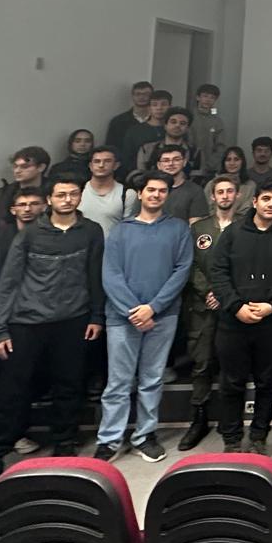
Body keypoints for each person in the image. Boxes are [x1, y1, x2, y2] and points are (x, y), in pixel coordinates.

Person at [0, 178, 105, 494]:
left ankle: (64, 445)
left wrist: (97, 315)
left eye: (73, 194)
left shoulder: (91, 231)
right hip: (27, 321)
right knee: (10, 390)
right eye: (61, 194)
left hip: (73, 319)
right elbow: (9, 281)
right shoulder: (30, 233)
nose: (67, 199)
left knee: (69, 385)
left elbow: (95, 275)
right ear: (50, 200)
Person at [96, 172, 193, 464]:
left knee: (152, 379)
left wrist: (153, 308)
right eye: (151, 190)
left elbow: (182, 270)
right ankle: (109, 439)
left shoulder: (178, 229)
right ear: (140, 193)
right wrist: (134, 310)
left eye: (162, 190)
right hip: (122, 317)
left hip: (163, 316)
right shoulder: (120, 231)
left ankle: (144, 436)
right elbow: (110, 274)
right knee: (118, 382)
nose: (156, 195)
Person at [208, 182, 272, 454]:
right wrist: (236, 306)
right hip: (233, 321)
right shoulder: (233, 232)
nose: (271, 204)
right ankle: (232, 439)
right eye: (266, 198)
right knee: (232, 383)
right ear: (255, 201)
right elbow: (218, 271)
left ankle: (259, 437)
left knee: (266, 382)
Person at [176, 174, 242, 450]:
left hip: (233, 306)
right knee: (201, 363)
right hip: (203, 306)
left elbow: (247, 265)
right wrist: (208, 291)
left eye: (230, 191)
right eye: (220, 192)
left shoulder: (246, 226)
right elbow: (190, 264)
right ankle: (199, 418)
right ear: (212, 197)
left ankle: (230, 420)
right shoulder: (199, 228)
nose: (225, 196)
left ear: (238, 195)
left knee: (232, 364)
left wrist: (225, 294)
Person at [0, 146, 51, 225]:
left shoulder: (54, 191)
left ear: (41, 167)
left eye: (25, 167)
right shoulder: (3, 194)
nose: (17, 171)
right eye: (15, 166)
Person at [119, 91, 172, 176]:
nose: (159, 108)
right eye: (154, 105)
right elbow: (127, 158)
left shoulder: (176, 130)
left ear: (170, 107)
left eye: (164, 104)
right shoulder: (135, 131)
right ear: (149, 108)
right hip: (141, 175)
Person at [78, 146, 127, 235]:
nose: (101, 165)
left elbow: (130, 229)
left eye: (107, 161)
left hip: (112, 243)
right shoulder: (77, 191)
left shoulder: (127, 194)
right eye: (97, 161)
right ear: (90, 166)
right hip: (80, 243)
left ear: (116, 165)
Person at [106, 80, 155, 151]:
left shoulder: (159, 120)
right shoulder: (118, 121)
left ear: (152, 96)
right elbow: (110, 148)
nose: (141, 97)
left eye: (146, 94)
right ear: (132, 96)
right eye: (138, 94)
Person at [191, 84, 227, 175]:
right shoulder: (189, 117)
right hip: (188, 164)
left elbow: (221, 146)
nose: (208, 100)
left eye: (212, 97)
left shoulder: (217, 121)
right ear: (198, 97)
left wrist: (210, 164)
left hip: (210, 169)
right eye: (205, 96)